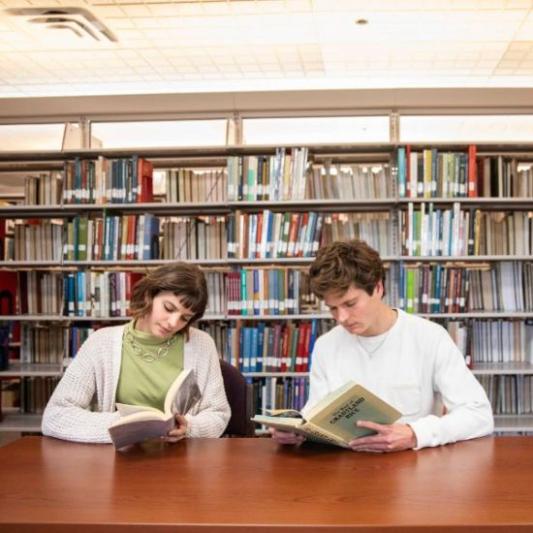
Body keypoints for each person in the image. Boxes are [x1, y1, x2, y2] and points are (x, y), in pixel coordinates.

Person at [271, 239, 494, 452]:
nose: (342, 317)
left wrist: (415, 433)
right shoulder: (325, 346)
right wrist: (298, 430)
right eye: (333, 308)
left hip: (413, 469)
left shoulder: (430, 338)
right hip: (346, 472)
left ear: (377, 288)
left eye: (350, 304)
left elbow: (479, 415)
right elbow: (316, 413)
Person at [42, 262, 230, 443]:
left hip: (180, 460)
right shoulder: (101, 343)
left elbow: (218, 414)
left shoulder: (202, 344)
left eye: (185, 318)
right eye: (169, 308)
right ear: (150, 295)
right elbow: (56, 415)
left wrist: (189, 427)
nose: (173, 323)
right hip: (117, 459)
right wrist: (120, 427)